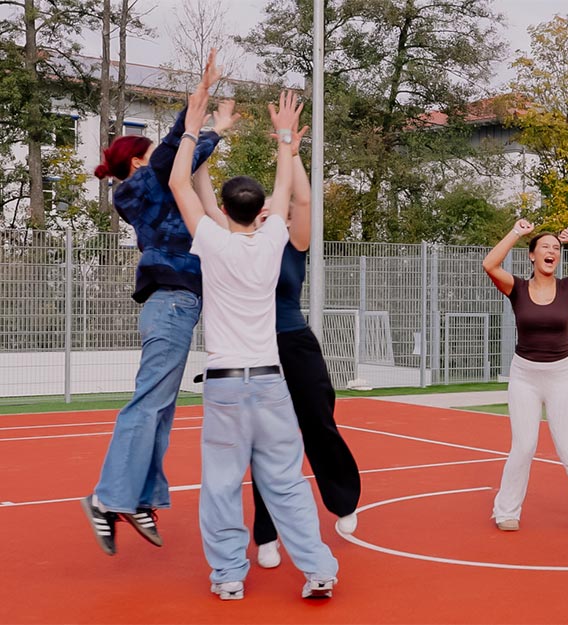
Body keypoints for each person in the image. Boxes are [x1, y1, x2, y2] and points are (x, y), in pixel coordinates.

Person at [170, 82, 339, 601]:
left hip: (224, 388)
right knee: (286, 483)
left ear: (222, 210)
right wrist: (285, 139)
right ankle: (318, 571)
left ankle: (227, 577)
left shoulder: (213, 242)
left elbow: (182, 183)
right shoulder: (273, 242)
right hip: (269, 385)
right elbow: (287, 189)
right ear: (260, 208)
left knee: (221, 488)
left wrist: (194, 126)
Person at [81, 51, 232, 556]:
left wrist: (210, 130)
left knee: (161, 409)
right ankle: (107, 497)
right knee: (147, 405)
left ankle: (141, 497)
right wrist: (202, 106)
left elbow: (185, 161)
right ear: (139, 157)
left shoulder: (159, 189)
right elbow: (176, 151)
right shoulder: (136, 188)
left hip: (178, 305)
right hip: (169, 302)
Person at [247, 122, 362, 570]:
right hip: (256, 350)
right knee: (267, 443)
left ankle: (342, 500)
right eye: (258, 211)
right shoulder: (239, 247)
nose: (266, 214)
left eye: (272, 210)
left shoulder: (292, 245)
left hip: (296, 344)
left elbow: (303, 199)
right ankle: (267, 533)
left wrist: (290, 149)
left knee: (319, 424)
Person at [482, 221, 568, 532]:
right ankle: (506, 510)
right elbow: (489, 263)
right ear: (532, 256)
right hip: (524, 375)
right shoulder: (517, 288)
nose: (552, 251)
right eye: (545, 247)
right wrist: (515, 231)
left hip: (561, 375)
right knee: (523, 446)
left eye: (556, 248)